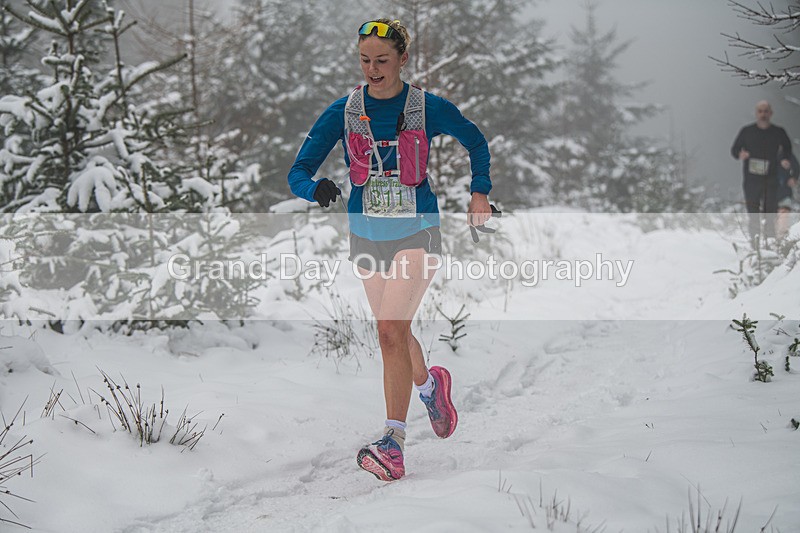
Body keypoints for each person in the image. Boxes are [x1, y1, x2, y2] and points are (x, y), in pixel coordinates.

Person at [287, 19, 493, 481]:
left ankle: (393, 442)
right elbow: (298, 170)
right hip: (365, 235)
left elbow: (475, 142)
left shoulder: (427, 107)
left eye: (382, 60)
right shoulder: (344, 111)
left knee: (391, 332)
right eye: (365, 60)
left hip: (418, 230)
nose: (373, 69)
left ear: (402, 59)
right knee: (391, 335)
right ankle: (429, 384)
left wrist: (479, 191)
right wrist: (314, 189)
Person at [730, 100, 793, 244]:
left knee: (770, 212)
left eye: (766, 111)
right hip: (751, 178)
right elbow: (734, 149)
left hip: (770, 177)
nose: (763, 114)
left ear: (771, 113)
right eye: (760, 111)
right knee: (753, 213)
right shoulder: (747, 131)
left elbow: (788, 149)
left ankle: (770, 243)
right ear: (756, 113)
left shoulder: (778, 132)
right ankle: (755, 243)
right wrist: (741, 154)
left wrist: (784, 159)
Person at [776, 152, 799, 239]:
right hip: (768, 193)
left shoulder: (786, 153)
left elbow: (796, 167)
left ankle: (782, 239)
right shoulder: (763, 152)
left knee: (783, 217)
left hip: (784, 192)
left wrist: (794, 178)